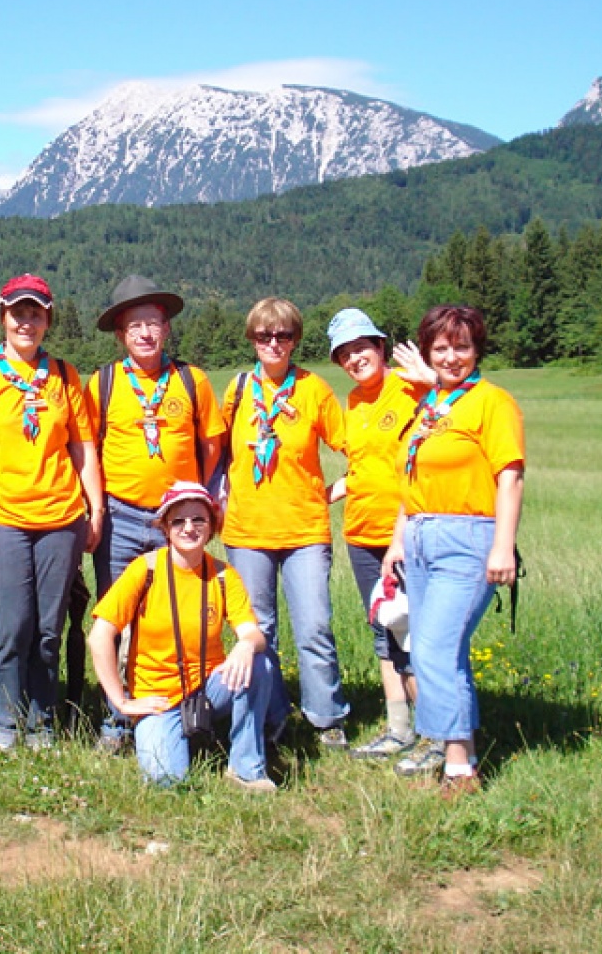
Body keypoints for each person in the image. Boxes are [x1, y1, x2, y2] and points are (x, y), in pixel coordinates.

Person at [66, 275, 225, 752]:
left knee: (174, 616)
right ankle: (117, 717)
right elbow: (87, 448)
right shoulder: (104, 383)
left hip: (178, 522)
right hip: (120, 517)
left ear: (167, 329)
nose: (145, 333)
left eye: (153, 323)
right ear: (120, 335)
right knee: (116, 617)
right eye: (134, 325)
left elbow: (211, 445)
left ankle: (178, 712)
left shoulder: (192, 380)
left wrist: (193, 502)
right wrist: (96, 511)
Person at [0, 274, 103, 751]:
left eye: (36, 314)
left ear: (48, 320)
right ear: (3, 317)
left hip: (60, 519)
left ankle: (42, 722)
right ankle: (4, 724)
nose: (26, 322)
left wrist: (95, 508)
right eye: (18, 313)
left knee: (48, 631)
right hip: (1, 519)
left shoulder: (66, 376)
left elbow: (83, 449)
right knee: (11, 628)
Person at [381, 304, 525, 796]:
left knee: (435, 650)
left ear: (477, 349)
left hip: (468, 538)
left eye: (461, 347)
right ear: (428, 353)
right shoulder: (432, 406)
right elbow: (413, 478)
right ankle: (457, 751)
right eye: (440, 348)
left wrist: (503, 547)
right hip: (421, 537)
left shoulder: (492, 402)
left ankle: (460, 769)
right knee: (438, 649)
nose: (451, 357)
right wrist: (399, 541)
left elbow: (510, 477)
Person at [220, 297, 351, 748]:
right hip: (246, 531)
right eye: (264, 335)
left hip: (305, 532)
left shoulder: (314, 390)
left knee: (314, 628)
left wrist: (331, 492)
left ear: (295, 340)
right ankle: (271, 716)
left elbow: (358, 450)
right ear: (252, 339)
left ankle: (326, 718)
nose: (273, 343)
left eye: (283, 335)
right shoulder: (238, 390)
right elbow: (216, 453)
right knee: (259, 632)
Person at [89, 481, 278, 792]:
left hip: (208, 690)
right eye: (178, 521)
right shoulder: (145, 570)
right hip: (158, 699)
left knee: (260, 664)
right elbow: (99, 636)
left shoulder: (223, 575)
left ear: (211, 526)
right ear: (165, 527)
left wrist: (246, 645)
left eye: (198, 519)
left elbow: (252, 633)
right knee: (166, 780)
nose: (189, 528)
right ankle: (174, 736)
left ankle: (246, 768)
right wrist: (121, 702)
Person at [324, 308, 433, 760]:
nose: (355, 359)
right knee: (384, 629)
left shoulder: (412, 386)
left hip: (406, 529)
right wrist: (321, 495)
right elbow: (362, 469)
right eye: (345, 354)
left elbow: (462, 412)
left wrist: (433, 379)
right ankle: (399, 728)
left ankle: (437, 733)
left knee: (415, 631)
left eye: (361, 348)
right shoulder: (354, 402)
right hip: (361, 532)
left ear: (380, 347)